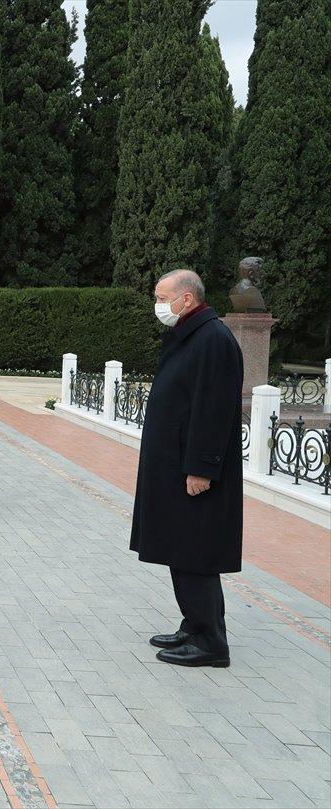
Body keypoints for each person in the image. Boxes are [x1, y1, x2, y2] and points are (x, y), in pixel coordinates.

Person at [132, 269, 243, 668]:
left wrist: (201, 469)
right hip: (175, 465)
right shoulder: (191, 334)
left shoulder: (212, 340)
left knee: (194, 553)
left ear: (187, 300)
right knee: (183, 550)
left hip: (193, 471)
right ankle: (195, 625)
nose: (157, 305)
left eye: (162, 297)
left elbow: (213, 411)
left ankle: (212, 644)